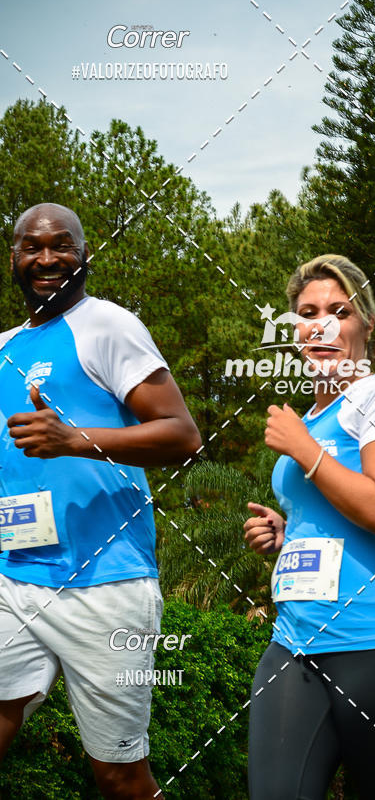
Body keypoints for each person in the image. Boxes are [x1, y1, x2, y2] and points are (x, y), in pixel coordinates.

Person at [0, 203, 200, 799]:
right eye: (31, 247)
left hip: (105, 584)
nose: (45, 259)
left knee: (119, 778)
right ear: (13, 258)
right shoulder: (3, 345)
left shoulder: (108, 325)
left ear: (84, 254)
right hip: (15, 579)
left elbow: (181, 435)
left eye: (61, 245)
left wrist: (73, 440)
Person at [244, 254, 375, 800]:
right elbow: (334, 522)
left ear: (364, 324)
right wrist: (287, 537)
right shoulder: (308, 421)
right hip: (294, 645)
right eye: (307, 312)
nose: (321, 323)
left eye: (338, 311)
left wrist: (307, 451)